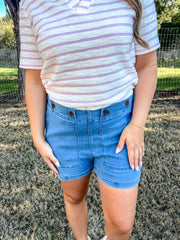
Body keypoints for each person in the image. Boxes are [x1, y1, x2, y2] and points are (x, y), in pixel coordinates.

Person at [19, 0, 160, 239]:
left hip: (119, 126)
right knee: (73, 197)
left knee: (122, 225)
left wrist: (137, 125)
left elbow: (147, 65)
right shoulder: (31, 4)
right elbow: (33, 77)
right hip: (63, 125)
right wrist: (37, 136)